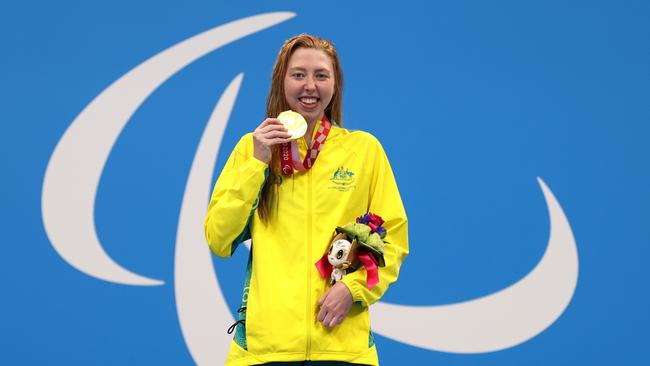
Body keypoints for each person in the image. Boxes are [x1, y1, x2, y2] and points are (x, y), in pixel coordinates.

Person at [204, 34, 408, 366]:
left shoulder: (364, 150)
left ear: (335, 84)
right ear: (280, 81)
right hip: (264, 351)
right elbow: (219, 238)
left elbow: (393, 241)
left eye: (321, 75)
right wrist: (257, 164)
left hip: (344, 348)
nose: (309, 85)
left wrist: (353, 289)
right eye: (298, 74)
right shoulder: (252, 149)